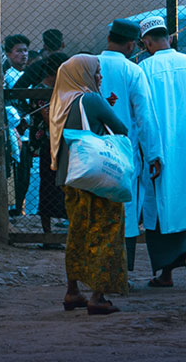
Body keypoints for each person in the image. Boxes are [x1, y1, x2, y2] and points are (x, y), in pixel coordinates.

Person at [49, 54, 129, 315]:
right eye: (96, 72)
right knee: (105, 231)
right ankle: (98, 296)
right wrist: (106, 107)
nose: (100, 77)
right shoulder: (91, 99)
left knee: (78, 232)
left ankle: (73, 291)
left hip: (69, 178)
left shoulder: (59, 102)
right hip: (96, 180)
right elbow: (121, 129)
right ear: (84, 74)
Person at [138, 16, 186, 288]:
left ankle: (166, 274)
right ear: (169, 38)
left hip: (158, 147)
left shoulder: (144, 68)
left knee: (159, 203)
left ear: (146, 43)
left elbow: (142, 112)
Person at [96, 19, 164, 276]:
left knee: (97, 207)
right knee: (126, 209)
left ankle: (97, 269)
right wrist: (154, 154)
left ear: (108, 38)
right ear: (131, 44)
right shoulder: (133, 71)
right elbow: (145, 117)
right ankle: (120, 271)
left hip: (92, 151)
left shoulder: (90, 65)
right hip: (124, 152)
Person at [18, 52, 70, 238]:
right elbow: (51, 121)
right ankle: (48, 233)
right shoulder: (42, 91)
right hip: (49, 145)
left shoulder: (58, 89)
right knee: (48, 186)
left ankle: (57, 229)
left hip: (57, 144)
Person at [3, 34, 32, 215]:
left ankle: (19, 206)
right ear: (8, 53)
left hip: (27, 131)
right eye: (19, 51)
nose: (23, 55)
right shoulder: (6, 75)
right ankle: (12, 208)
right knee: (15, 171)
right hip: (15, 131)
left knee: (25, 173)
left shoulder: (26, 75)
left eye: (25, 51)